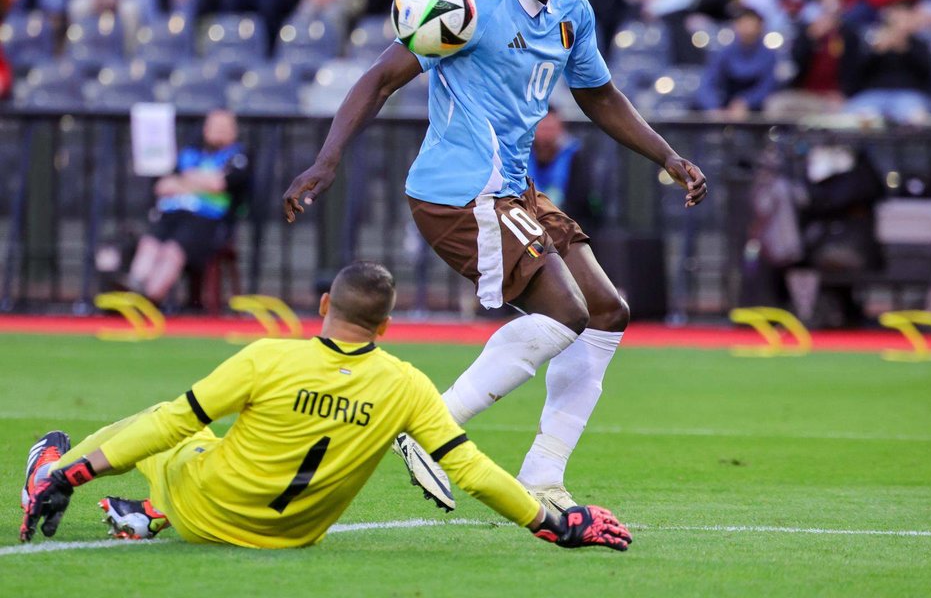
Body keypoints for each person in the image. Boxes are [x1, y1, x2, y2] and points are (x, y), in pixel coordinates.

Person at [283, 0, 707, 517]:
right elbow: (380, 76)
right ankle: (430, 426)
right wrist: (326, 160)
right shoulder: (466, 3)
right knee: (565, 312)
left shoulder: (573, 9)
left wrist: (667, 156)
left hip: (514, 189)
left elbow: (600, 95)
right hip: (459, 191)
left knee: (607, 311)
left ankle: (543, 473)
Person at [20, 261, 632, 553]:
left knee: (169, 426)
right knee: (195, 438)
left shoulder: (267, 358)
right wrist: (552, 524)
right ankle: (145, 514)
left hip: (211, 507)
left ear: (321, 305)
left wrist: (76, 474)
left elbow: (171, 424)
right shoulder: (408, 385)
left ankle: (48, 474)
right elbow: (470, 471)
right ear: (387, 325)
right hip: (293, 534)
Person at [127, 109, 249, 304]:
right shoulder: (189, 154)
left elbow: (219, 184)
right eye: (214, 126)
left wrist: (185, 181)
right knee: (150, 243)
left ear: (233, 131)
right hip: (174, 214)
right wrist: (200, 181)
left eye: (223, 127)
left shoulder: (238, 157)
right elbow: (163, 185)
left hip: (208, 222)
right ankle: (132, 290)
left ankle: (149, 299)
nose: (218, 131)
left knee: (172, 250)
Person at [844, 0, 931, 124]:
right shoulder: (873, 41)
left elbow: (927, 74)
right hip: (873, 94)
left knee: (915, 117)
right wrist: (876, 52)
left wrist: (905, 48)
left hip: (908, 95)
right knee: (856, 118)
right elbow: (855, 75)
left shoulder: (918, 44)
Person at [528, 108, 602, 237]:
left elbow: (581, 198)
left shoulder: (576, 156)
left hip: (566, 225)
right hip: (528, 223)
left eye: (551, 128)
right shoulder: (522, 156)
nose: (547, 135)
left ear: (560, 129)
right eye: (543, 128)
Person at [695, 5, 778, 119]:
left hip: (755, 108)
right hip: (724, 104)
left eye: (751, 25)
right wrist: (713, 107)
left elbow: (767, 87)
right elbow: (708, 82)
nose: (747, 29)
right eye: (743, 24)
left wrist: (745, 102)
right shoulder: (725, 52)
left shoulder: (768, 55)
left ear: (760, 27)